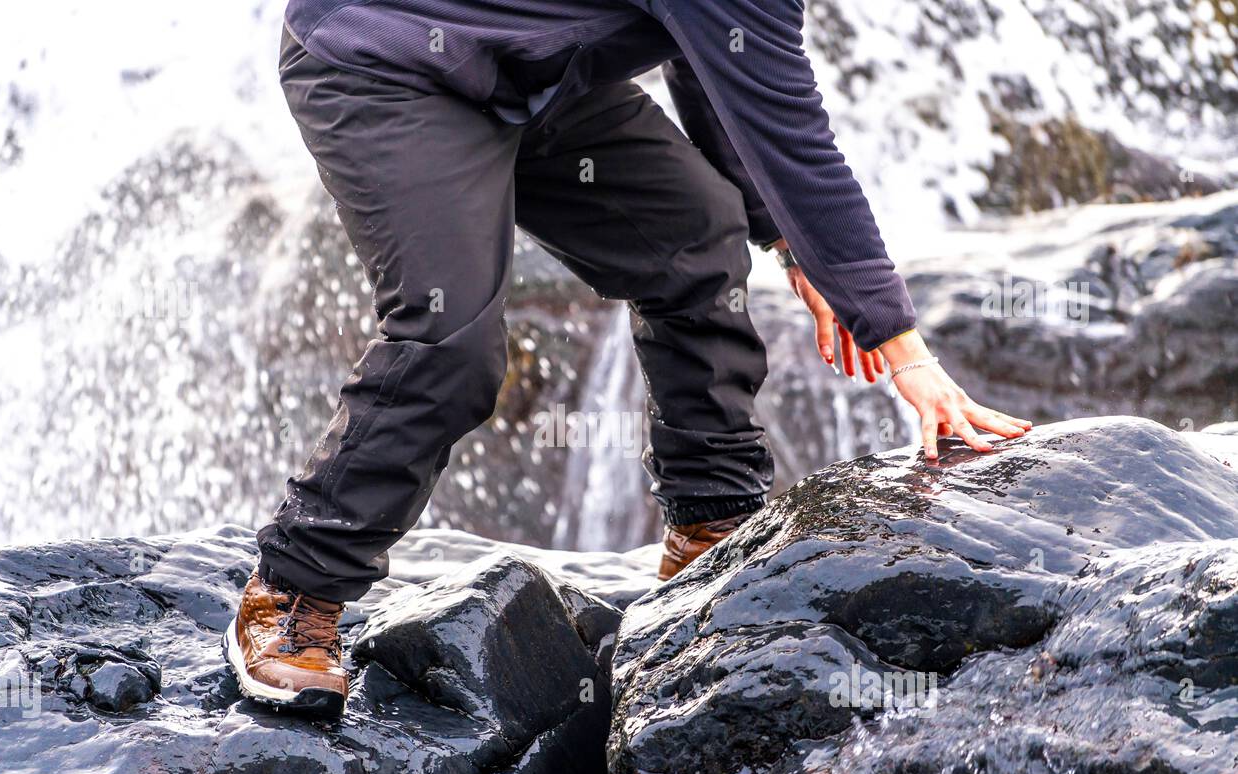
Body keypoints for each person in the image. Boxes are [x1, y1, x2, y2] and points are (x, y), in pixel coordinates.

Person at [223, 0, 1032, 717]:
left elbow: (724, 67)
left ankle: (710, 523)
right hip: (383, 59)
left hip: (525, 76)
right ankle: (293, 590)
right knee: (450, 339)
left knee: (700, 239)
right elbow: (796, 141)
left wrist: (784, 239)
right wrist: (906, 354)